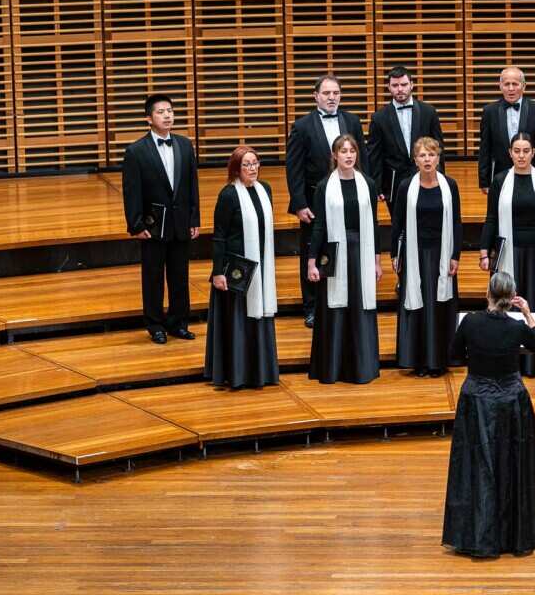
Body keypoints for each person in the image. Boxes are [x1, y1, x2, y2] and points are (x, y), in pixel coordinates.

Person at [443, 272, 535, 559]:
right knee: (511, 464)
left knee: (478, 467)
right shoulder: (516, 328)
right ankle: (511, 535)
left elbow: (453, 354)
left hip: (477, 399)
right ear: (512, 298)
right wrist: (528, 314)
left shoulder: (470, 322)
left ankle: (477, 534)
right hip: (511, 401)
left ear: (488, 294)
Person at [287, 74, 368, 328]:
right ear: (316, 96)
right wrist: (300, 204)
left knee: (347, 248)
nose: (332, 97)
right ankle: (311, 307)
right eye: (326, 93)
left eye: (336, 93)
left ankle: (347, 300)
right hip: (314, 201)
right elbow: (294, 168)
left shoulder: (352, 121)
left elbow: (361, 158)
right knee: (313, 251)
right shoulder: (302, 126)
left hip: (348, 198)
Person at [480, 133, 535, 377]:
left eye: (526, 150)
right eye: (517, 151)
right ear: (510, 153)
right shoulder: (500, 180)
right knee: (509, 303)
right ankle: (511, 362)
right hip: (509, 254)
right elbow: (492, 218)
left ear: (533, 153)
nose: (521, 155)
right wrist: (485, 250)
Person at [121, 93, 200, 345]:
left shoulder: (185, 145)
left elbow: (191, 186)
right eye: (160, 112)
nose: (167, 115)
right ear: (148, 118)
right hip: (153, 225)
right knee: (153, 277)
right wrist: (136, 224)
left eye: (170, 111)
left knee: (180, 275)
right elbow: (131, 191)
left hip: (180, 223)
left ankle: (178, 322)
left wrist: (193, 218)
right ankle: (155, 324)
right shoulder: (135, 151)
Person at [307, 135, 380, 384]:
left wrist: (377, 261)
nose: (348, 155)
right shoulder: (323, 186)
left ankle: (361, 367)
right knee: (335, 309)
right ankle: (333, 367)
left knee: (360, 308)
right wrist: (311, 260)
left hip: (361, 251)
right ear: (334, 156)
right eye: (343, 151)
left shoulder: (368, 184)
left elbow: (375, 224)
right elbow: (318, 226)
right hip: (334, 253)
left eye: (352, 151)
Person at [204, 146, 279, 389]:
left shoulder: (265, 190)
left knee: (258, 318)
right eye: (246, 164)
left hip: (261, 267)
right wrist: (217, 272)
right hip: (235, 270)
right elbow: (219, 236)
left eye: (255, 163)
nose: (252, 168)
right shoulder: (228, 195)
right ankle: (237, 374)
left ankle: (261, 372)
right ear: (236, 168)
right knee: (238, 322)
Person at [392, 136, 462, 378]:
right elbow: (397, 223)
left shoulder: (450, 185)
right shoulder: (405, 187)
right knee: (418, 307)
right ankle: (419, 360)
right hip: (414, 255)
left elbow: (456, 222)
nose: (427, 159)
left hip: (442, 256)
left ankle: (438, 361)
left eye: (431, 154)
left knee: (439, 307)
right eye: (422, 155)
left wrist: (455, 256)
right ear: (415, 160)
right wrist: (394, 254)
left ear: (438, 158)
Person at [366, 65, 444, 206]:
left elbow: (438, 148)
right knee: (399, 225)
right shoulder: (379, 118)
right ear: (389, 87)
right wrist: (376, 187)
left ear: (412, 85)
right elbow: (374, 155)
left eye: (404, 84)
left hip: (425, 179)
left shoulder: (429, 112)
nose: (400, 89)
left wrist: (441, 179)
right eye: (395, 85)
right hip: (394, 183)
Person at [477, 66, 535, 193]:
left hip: (532, 177)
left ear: (524, 86)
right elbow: (485, 149)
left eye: (515, 84)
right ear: (500, 86)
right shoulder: (489, 111)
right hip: (500, 178)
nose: (511, 88)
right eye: (507, 84)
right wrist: (484, 181)